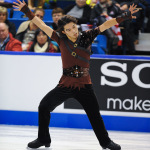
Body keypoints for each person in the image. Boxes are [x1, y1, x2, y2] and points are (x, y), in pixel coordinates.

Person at [13, 0, 138, 149]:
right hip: (65, 85)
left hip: (85, 85)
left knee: (94, 115)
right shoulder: (60, 39)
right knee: (44, 106)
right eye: (69, 29)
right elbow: (41, 25)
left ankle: (106, 142)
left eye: (74, 27)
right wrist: (27, 10)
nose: (74, 30)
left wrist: (124, 16)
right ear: (64, 31)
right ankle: (43, 139)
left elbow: (106, 24)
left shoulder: (87, 36)